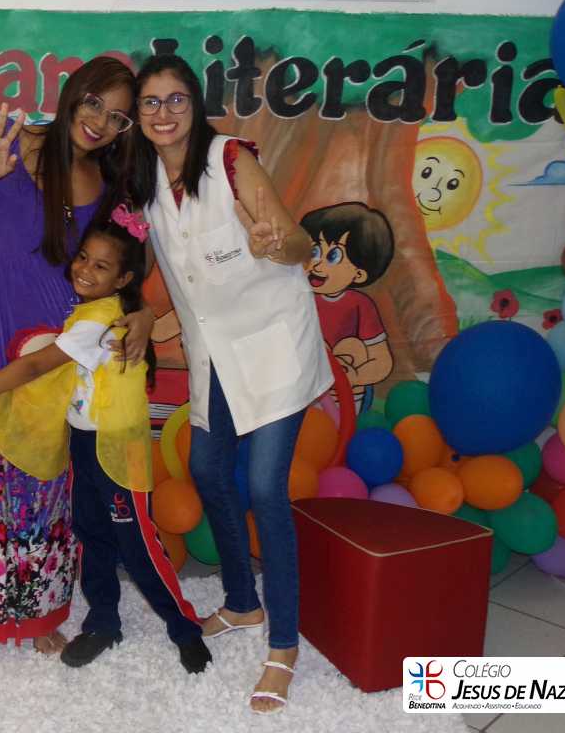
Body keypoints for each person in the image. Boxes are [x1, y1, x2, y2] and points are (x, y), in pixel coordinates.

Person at [0, 56, 152, 681]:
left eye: (117, 117)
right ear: (73, 95)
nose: (100, 122)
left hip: (56, 356)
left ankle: (37, 613)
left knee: (43, 484)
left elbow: (126, 272)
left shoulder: (110, 183)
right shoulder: (6, 142)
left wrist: (144, 314)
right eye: (94, 103)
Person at [129, 54, 333, 714]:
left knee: (267, 487)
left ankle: (284, 645)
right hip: (214, 352)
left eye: (176, 99)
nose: (163, 113)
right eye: (151, 102)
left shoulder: (230, 160)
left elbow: (296, 242)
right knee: (208, 469)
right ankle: (243, 602)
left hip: (273, 345)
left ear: (195, 105)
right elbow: (143, 258)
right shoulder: (144, 182)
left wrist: (280, 242)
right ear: (138, 114)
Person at [0, 215, 211, 674]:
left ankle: (184, 628)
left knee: (138, 544)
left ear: (123, 279)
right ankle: (103, 622)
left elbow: (35, 366)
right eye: (83, 257)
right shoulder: (89, 310)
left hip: (117, 449)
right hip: (86, 443)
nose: (84, 269)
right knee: (90, 534)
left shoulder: (100, 321)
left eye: (101, 266)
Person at [300, 202, 395, 411]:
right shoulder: (300, 298)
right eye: (314, 251)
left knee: (351, 347)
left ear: (359, 274)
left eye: (333, 256)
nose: (317, 264)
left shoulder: (360, 305)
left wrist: (353, 377)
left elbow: (381, 358)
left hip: (347, 395)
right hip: (306, 392)